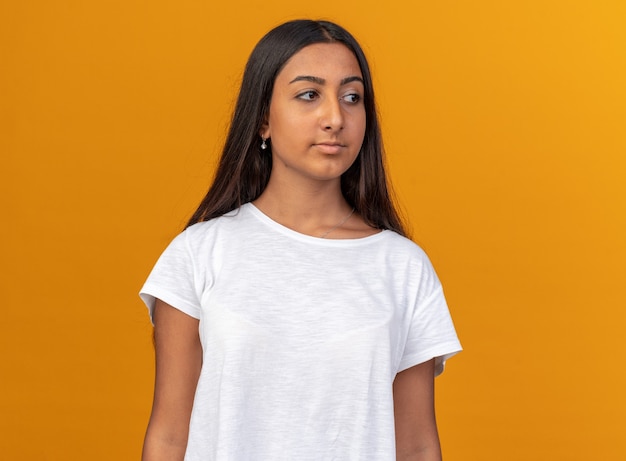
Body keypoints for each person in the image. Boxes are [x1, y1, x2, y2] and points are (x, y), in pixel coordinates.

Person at [140, 19, 461, 461]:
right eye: (309, 94)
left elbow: (418, 446)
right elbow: (170, 436)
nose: (335, 118)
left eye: (352, 97)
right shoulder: (199, 254)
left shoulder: (403, 267)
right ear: (262, 121)